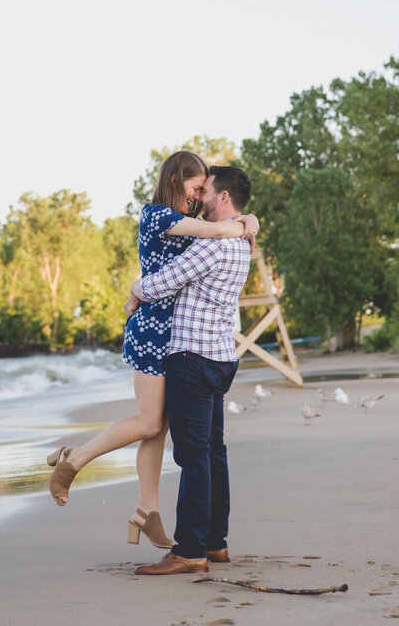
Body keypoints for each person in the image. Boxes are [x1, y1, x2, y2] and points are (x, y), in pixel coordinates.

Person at [46, 151, 258, 553]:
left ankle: (148, 511)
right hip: (152, 331)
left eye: (204, 191)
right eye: (196, 188)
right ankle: (73, 460)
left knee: (159, 424)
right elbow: (216, 233)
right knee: (149, 422)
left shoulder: (193, 223)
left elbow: (212, 234)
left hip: (174, 333)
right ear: (177, 180)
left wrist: (247, 220)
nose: (198, 198)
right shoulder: (157, 215)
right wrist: (243, 224)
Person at [126, 165, 254, 575]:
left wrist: (134, 291)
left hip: (192, 359)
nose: (199, 198)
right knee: (214, 453)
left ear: (223, 198)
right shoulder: (241, 242)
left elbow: (162, 283)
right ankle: (215, 542)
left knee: (193, 456)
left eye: (206, 191)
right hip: (220, 357)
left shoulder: (212, 245)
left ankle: (190, 549)